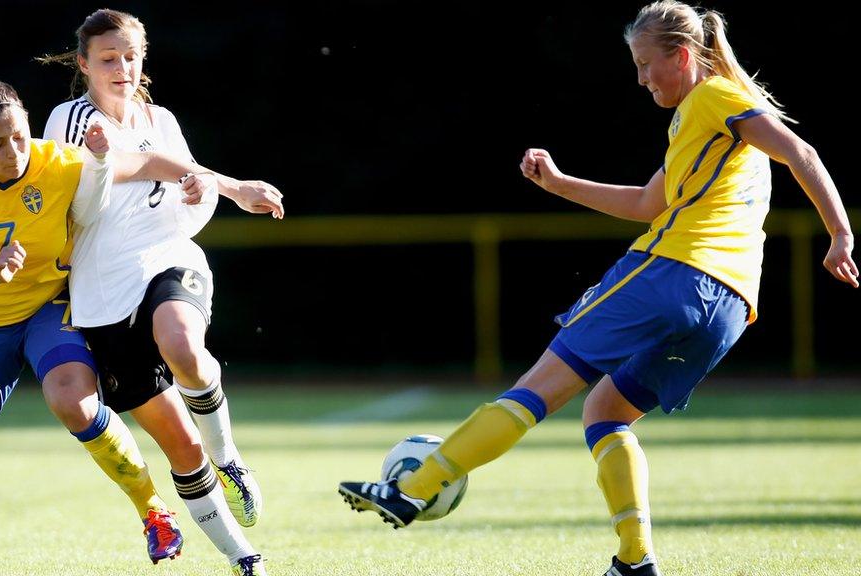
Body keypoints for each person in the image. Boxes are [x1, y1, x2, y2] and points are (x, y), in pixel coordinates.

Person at [338, 2, 857, 575]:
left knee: (536, 388)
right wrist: (558, 184)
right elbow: (646, 203)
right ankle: (635, 561)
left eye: (644, 64)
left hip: (671, 272)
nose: (639, 78)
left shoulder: (712, 99)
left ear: (683, 56)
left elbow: (800, 151)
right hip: (729, 308)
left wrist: (838, 232)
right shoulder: (710, 126)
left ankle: (415, 485)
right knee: (604, 412)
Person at [0, 76, 207, 576]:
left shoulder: (55, 161)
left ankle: (155, 512)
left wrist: (218, 182)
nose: (14, 150)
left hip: (47, 309)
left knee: (72, 398)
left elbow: (144, 163)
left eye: (20, 134)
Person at [39, 9, 284, 576]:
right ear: (84, 65)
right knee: (180, 447)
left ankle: (230, 456)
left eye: (130, 56)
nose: (121, 67)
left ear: (142, 59)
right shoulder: (68, 120)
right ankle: (243, 558)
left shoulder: (162, 119)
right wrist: (221, 182)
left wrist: (203, 188)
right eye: (108, 58)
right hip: (102, 294)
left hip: (166, 261)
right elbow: (95, 196)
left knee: (183, 344)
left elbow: (183, 209)